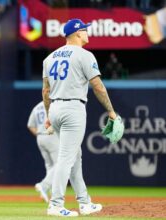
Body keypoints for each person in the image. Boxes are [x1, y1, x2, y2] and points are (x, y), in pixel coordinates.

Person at [42, 18, 118, 217]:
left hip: (56, 107)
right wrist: (111, 111)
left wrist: (49, 114)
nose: (87, 33)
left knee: (75, 157)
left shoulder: (49, 58)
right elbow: (98, 86)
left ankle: (84, 202)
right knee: (66, 158)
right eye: (85, 30)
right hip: (73, 108)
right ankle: (56, 205)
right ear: (77, 33)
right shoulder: (85, 55)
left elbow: (45, 90)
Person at [27, 101, 59, 203]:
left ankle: (47, 193)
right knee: (60, 164)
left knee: (50, 166)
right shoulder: (54, 104)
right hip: (51, 135)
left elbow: (30, 125)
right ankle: (44, 186)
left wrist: (40, 135)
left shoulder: (37, 106)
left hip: (40, 137)